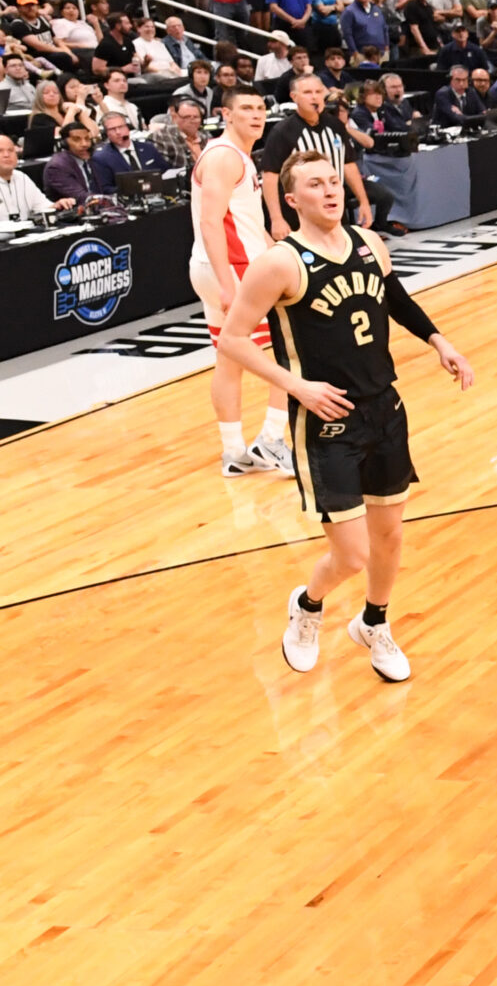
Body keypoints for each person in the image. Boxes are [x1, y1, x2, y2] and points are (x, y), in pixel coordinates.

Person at [216, 149, 477, 680]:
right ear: (291, 200)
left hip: (385, 408)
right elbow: (233, 338)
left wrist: (438, 340)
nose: (331, 191)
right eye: (315, 185)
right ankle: (308, 606)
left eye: (333, 181)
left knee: (390, 537)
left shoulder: (369, 242)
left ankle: (374, 622)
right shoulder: (280, 262)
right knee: (353, 554)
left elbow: (394, 296)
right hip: (326, 419)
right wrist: (296, 387)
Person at [192, 85, 293, 474]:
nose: (257, 114)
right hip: (233, 268)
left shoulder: (239, 156)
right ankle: (271, 439)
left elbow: (247, 223)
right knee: (290, 351)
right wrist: (227, 282)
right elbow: (210, 222)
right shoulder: (223, 156)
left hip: (227, 265)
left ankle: (233, 452)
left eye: (261, 107)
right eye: (247, 108)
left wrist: (281, 253)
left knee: (228, 360)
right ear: (226, 114)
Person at [257, 71, 371, 239]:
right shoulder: (283, 131)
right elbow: (269, 177)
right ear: (294, 97)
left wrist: (363, 201)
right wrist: (276, 219)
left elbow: (348, 165)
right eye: (307, 93)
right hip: (296, 213)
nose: (314, 97)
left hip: (333, 205)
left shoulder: (336, 126)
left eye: (318, 92)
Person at [0, 133, 52, 220]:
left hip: (26, 232)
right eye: (0, 151)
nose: (6, 155)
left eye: (10, 150)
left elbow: (43, 206)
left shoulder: (22, 177)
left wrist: (58, 205)